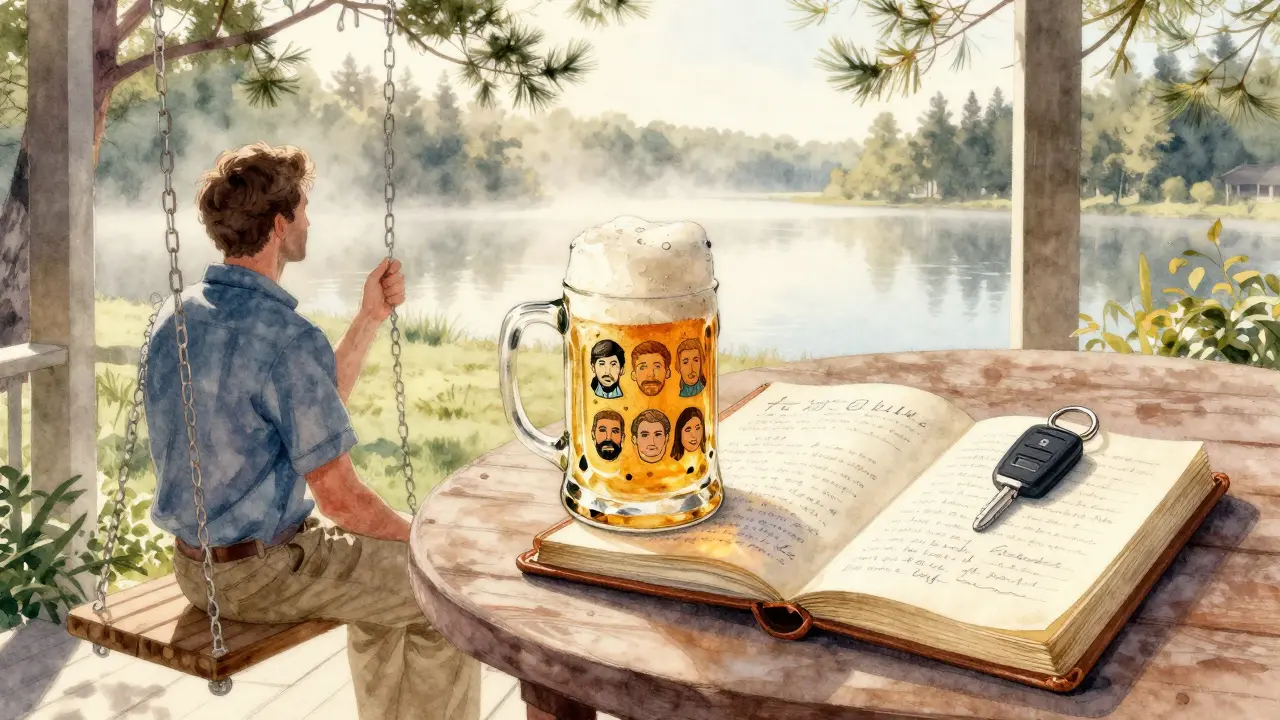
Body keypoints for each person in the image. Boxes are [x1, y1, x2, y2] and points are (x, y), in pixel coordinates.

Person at [143, 142, 479, 720]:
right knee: (444, 595)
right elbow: (341, 500)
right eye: (302, 210)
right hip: (261, 574)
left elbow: (308, 413)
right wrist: (424, 541)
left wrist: (369, 318)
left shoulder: (174, 314)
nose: (309, 222)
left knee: (386, 589)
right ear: (280, 224)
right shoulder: (285, 336)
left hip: (193, 568)